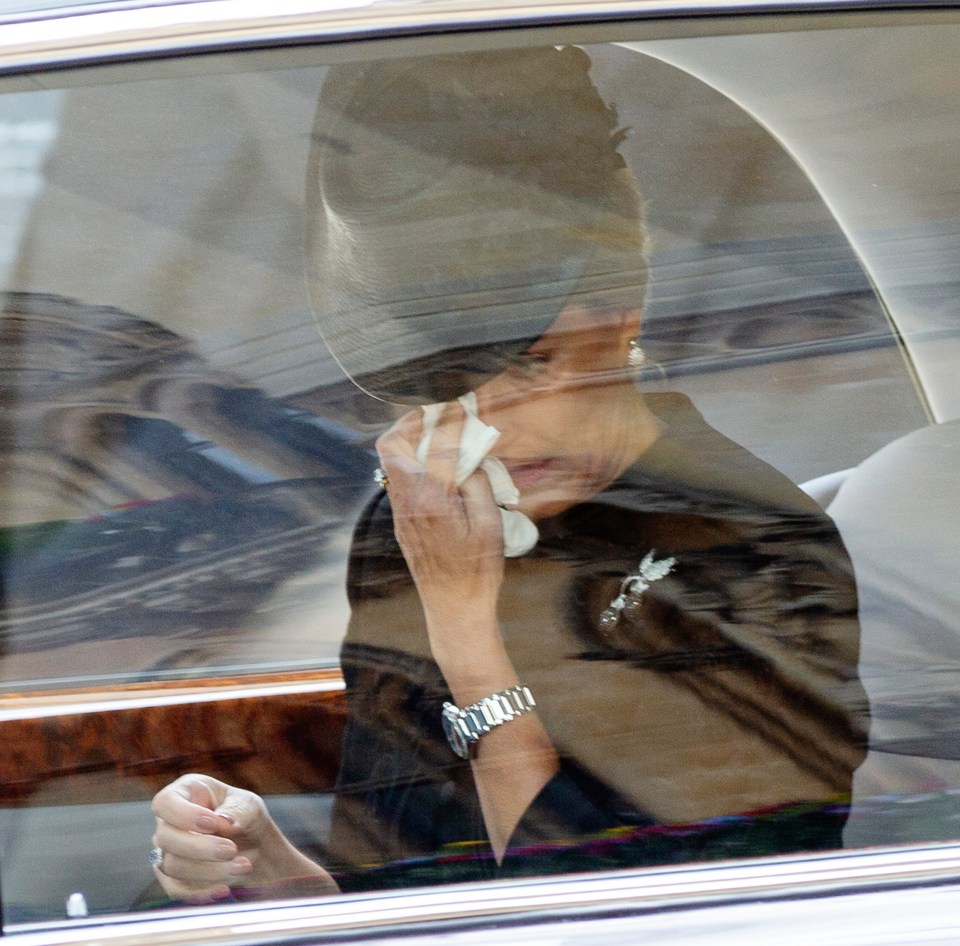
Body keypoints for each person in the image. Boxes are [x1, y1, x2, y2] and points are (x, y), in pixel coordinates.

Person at [148, 46, 868, 902]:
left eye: (529, 361)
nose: (485, 428)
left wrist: (466, 636)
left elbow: (593, 910)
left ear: (622, 308)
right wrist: (265, 866)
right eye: (438, 381)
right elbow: (407, 905)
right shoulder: (417, 522)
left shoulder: (757, 548)